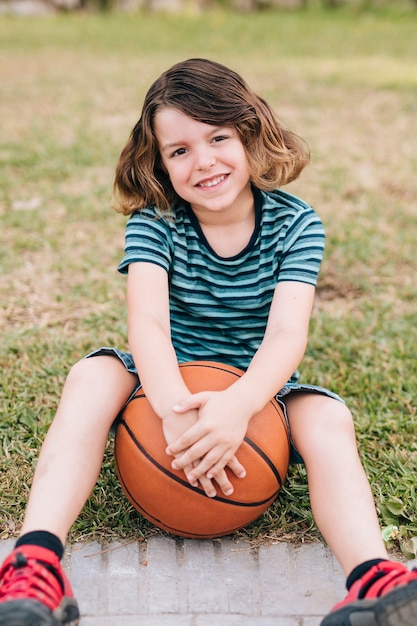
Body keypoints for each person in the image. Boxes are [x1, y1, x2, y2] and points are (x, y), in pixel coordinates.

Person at [0, 58, 416, 626]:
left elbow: (286, 334)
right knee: (91, 376)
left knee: (328, 418)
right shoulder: (156, 222)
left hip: (259, 389)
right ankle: (35, 562)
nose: (204, 162)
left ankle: (372, 575)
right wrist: (174, 414)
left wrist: (239, 408)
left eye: (218, 137)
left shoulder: (298, 226)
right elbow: (147, 325)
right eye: (180, 151)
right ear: (160, 164)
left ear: (249, 132)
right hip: (165, 378)